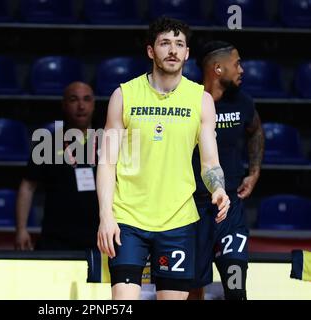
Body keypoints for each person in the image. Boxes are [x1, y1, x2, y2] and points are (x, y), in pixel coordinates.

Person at [96, 16, 230, 300]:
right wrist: (106, 215)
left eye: (179, 44)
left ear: (187, 53)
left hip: (178, 220)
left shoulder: (201, 100)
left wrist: (218, 187)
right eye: (165, 43)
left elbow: (209, 163)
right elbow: (107, 162)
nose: (173, 50)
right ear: (150, 51)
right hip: (128, 219)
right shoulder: (124, 95)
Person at [189, 41, 264, 300]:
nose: (242, 70)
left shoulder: (242, 101)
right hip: (191, 208)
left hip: (230, 208)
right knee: (192, 289)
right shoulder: (187, 101)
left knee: (236, 285)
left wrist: (254, 172)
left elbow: (255, 130)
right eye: (237, 64)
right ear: (218, 69)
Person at [15, 81, 100, 251]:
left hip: (99, 237)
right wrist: (21, 229)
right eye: (74, 99)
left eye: (86, 99)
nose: (81, 105)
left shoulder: (108, 142)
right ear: (64, 104)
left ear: (93, 104)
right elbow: (27, 187)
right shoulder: (47, 143)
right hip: (56, 237)